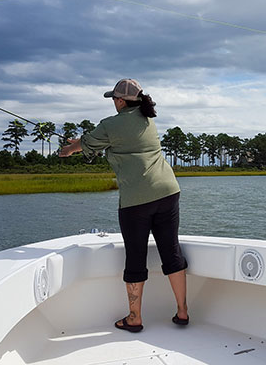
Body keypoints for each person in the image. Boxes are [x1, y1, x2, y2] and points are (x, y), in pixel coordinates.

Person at [59, 79, 188, 333]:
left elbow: (85, 144)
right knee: (171, 251)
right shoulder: (148, 119)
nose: (113, 103)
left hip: (136, 201)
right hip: (168, 192)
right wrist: (85, 143)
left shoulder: (110, 124)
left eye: (113, 99)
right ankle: (183, 312)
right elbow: (103, 142)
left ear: (120, 101)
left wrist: (67, 150)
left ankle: (134, 318)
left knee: (136, 257)